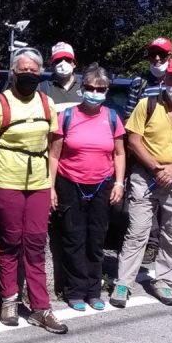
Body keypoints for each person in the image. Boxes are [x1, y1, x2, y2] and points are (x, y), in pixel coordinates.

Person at [0, 49, 66, 334]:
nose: (29, 74)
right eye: (23, 70)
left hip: (39, 182)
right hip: (6, 181)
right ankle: (9, 299)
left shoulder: (46, 103)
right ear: (14, 73)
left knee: (36, 243)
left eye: (34, 70)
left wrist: (51, 184)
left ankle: (41, 307)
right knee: (10, 241)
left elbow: (54, 144)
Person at [113, 60, 172, 307]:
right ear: (164, 80)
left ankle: (164, 281)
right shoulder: (147, 104)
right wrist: (155, 167)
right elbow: (133, 139)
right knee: (137, 232)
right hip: (146, 176)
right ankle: (123, 283)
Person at [49, 65, 125, 312]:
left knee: (96, 239)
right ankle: (74, 291)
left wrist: (119, 182)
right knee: (73, 239)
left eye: (100, 89)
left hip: (102, 185)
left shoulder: (112, 118)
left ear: (106, 90)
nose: (94, 92)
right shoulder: (67, 116)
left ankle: (94, 290)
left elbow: (120, 153)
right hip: (70, 183)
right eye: (90, 88)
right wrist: (51, 188)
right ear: (83, 89)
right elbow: (54, 155)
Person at [120, 36, 172, 271]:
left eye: (162, 54)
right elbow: (129, 119)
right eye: (152, 54)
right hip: (144, 159)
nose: (157, 58)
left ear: (171, 56)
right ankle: (152, 242)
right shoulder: (139, 82)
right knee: (144, 207)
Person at [44, 42, 81, 108]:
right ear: (52, 65)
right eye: (58, 60)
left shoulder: (85, 87)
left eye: (68, 60)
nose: (63, 63)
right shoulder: (42, 88)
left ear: (74, 64)